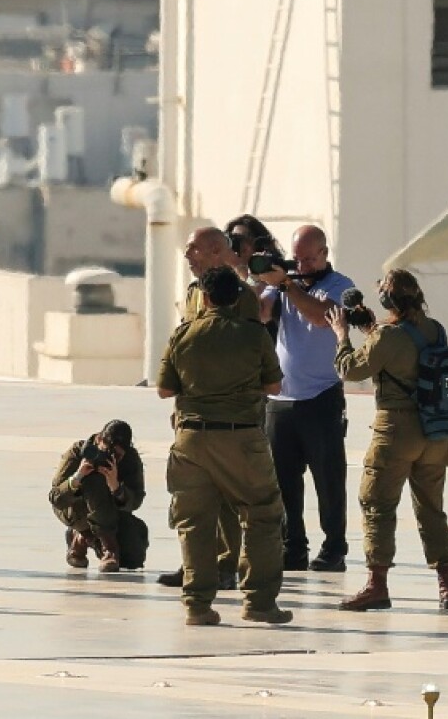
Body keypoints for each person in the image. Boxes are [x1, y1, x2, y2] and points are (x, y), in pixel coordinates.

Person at [157, 266, 291, 626]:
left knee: (195, 522)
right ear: (236, 297)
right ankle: (259, 603)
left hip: (191, 439)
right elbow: (275, 387)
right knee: (261, 515)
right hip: (241, 437)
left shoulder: (183, 334)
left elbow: (165, 389)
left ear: (204, 296)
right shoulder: (253, 334)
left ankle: (197, 605)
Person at [329, 269, 448, 611]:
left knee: (376, 504)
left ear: (388, 299)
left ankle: (377, 585)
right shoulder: (435, 329)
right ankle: (447, 585)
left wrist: (342, 335)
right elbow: (409, 355)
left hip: (396, 430)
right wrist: (373, 330)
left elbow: (350, 370)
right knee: (432, 508)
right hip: (435, 431)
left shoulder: (386, 335)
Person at [156, 227, 256, 591]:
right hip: (193, 410)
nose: (187, 256)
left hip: (229, 413)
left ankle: (225, 564)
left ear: (216, 251)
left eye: (193, 249)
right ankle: (195, 565)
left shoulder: (241, 297)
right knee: (193, 496)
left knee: (228, 496)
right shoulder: (195, 293)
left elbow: (243, 352)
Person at [256, 225, 355, 573]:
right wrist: (254, 275)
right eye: (298, 259)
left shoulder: (341, 286)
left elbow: (320, 316)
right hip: (281, 399)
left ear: (325, 254)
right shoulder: (281, 285)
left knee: (328, 479)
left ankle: (334, 547)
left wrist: (286, 284)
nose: (303, 265)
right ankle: (293, 546)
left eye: (310, 259)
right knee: (283, 483)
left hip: (321, 397)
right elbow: (259, 314)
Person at [48, 420, 147, 572]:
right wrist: (77, 478)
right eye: (107, 452)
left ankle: (81, 538)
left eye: (118, 456)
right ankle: (109, 548)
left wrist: (116, 487)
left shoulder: (130, 459)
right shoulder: (78, 452)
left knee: (132, 559)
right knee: (95, 480)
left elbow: (136, 502)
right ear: (99, 439)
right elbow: (56, 498)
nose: (111, 458)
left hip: (112, 513)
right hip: (74, 510)